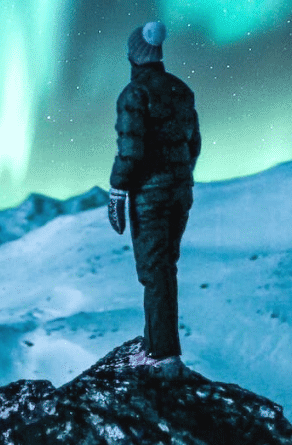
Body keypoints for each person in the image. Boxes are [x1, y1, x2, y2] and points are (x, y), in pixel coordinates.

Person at [108, 21, 201, 375]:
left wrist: (118, 190)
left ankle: (162, 355)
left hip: (151, 196)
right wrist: (181, 174)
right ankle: (158, 346)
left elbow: (131, 152)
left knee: (154, 270)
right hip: (181, 191)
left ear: (134, 54)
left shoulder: (134, 95)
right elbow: (194, 143)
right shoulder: (181, 89)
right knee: (165, 268)